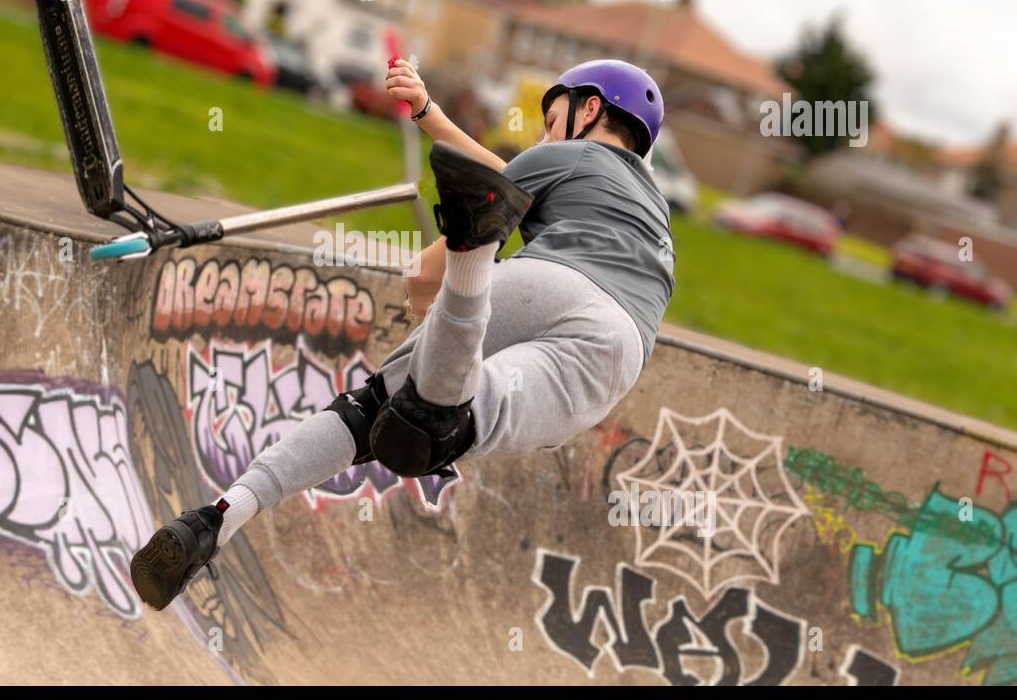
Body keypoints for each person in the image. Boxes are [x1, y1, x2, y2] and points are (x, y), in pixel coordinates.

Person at [129, 58, 675, 611]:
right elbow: (500, 178)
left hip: (544, 283)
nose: (541, 135)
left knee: (373, 413)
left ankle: (217, 518)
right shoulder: (654, 211)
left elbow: (438, 254)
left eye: (550, 117)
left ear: (589, 109)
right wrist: (429, 114)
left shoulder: (566, 155)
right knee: (455, 422)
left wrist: (427, 290)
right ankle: (461, 310)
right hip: (619, 348)